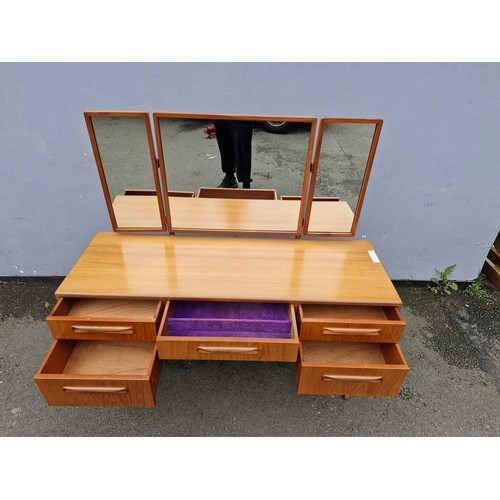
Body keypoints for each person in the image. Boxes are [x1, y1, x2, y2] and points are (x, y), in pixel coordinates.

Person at [213, 120, 253, 188]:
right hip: (220, 112)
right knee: (224, 141)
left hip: (241, 113)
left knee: (242, 145)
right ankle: (230, 178)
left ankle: (246, 184)